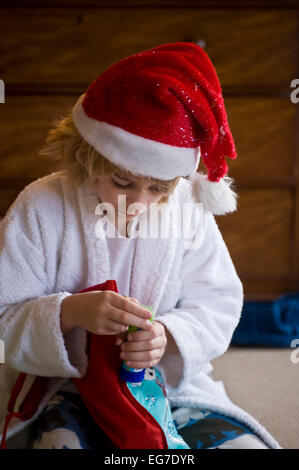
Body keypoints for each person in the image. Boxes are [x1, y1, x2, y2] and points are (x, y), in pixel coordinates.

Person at [0, 42, 281, 449]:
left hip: (165, 385)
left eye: (157, 189)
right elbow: (4, 315)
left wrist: (166, 336)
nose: (138, 203)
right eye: (121, 182)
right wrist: (69, 313)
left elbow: (218, 300)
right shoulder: (42, 207)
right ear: (89, 155)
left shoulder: (186, 208)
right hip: (69, 385)